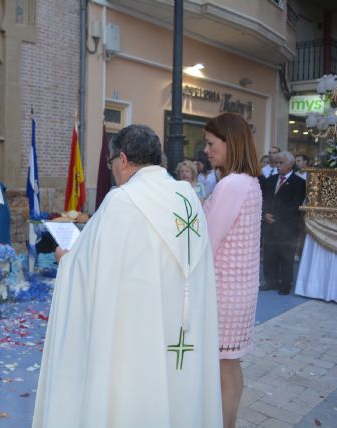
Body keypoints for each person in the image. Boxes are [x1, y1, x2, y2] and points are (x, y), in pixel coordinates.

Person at [33, 125, 222, 428]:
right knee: (178, 392)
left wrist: (64, 260)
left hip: (138, 331)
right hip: (182, 327)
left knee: (135, 395)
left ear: (122, 159)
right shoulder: (187, 198)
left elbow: (85, 267)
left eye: (111, 164)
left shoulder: (122, 200)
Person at [203, 112, 262, 428]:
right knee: (231, 363)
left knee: (223, 365)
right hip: (240, 287)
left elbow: (207, 242)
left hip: (225, 290)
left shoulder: (232, 184)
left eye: (212, 144)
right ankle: (229, 422)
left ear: (231, 142)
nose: (207, 151)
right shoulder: (249, 182)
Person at [261, 151, 306, 295]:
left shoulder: (299, 183)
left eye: (281, 163)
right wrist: (264, 214)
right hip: (269, 225)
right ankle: (270, 281)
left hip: (287, 227)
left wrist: (276, 217)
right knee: (269, 255)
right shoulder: (270, 180)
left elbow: (295, 204)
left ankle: (285, 284)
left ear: (290, 164)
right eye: (276, 163)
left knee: (286, 256)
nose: (278, 166)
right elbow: (263, 199)